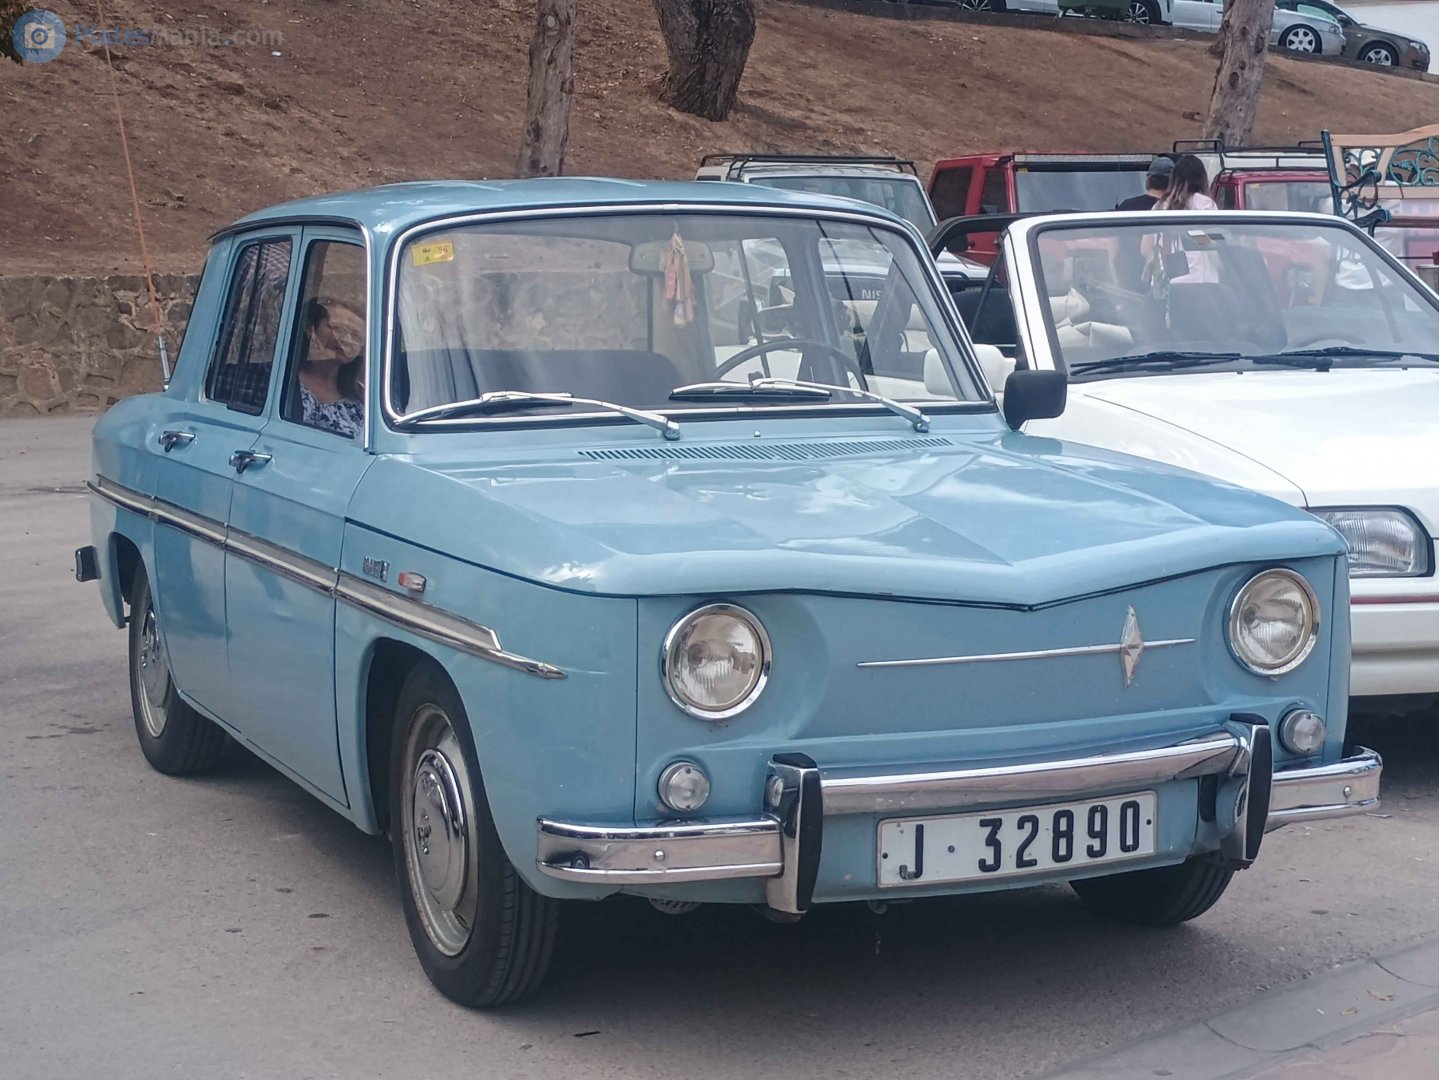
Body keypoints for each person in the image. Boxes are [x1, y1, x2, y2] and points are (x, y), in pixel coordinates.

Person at [298, 299, 365, 438]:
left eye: (355, 336)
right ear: (310, 328)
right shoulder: (280, 384)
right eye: (337, 328)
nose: (345, 339)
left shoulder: (363, 399)